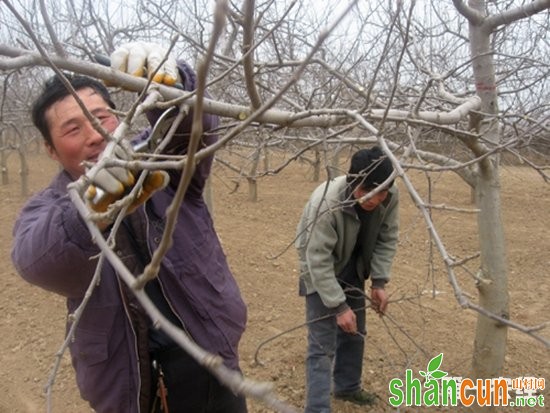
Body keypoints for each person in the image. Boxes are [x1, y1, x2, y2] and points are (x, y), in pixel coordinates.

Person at [11, 42, 248, 413]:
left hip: (211, 360)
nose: (94, 134)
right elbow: (35, 259)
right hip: (127, 388)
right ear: (51, 149)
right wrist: (90, 209)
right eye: (73, 128)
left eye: (102, 117)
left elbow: (190, 128)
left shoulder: (157, 158)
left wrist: (175, 84)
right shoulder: (50, 207)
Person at [295, 146, 399, 413]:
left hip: (353, 263)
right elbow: (316, 258)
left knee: (355, 333)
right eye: (367, 191)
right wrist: (339, 306)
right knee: (322, 345)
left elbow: (387, 238)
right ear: (354, 182)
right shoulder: (327, 203)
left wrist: (378, 282)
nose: (374, 199)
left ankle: (347, 387)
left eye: (381, 193)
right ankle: (317, 408)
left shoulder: (389, 196)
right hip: (318, 268)